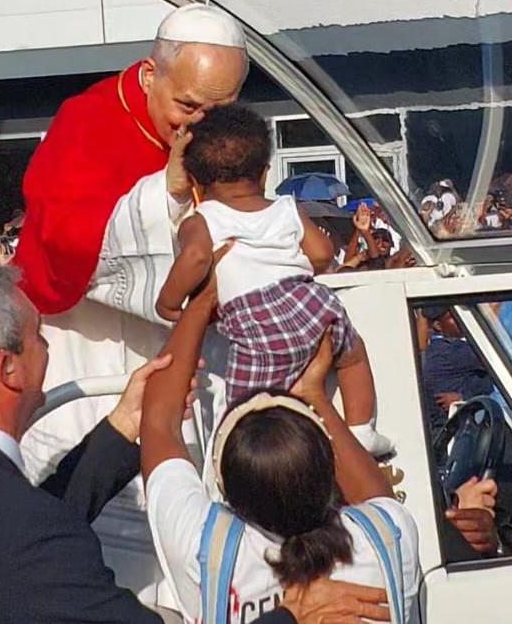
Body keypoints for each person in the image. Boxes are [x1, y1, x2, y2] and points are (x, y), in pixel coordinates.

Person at [0, 265, 361, 624]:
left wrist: (126, 423)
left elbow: (24, 520)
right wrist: (292, 616)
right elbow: (27, 536)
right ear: (6, 368)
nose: (50, 346)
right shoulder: (28, 534)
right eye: (38, 335)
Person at [142, 264, 496, 624]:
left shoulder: (207, 549)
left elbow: (157, 421)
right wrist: (316, 396)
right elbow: (376, 494)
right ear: (328, 469)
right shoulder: (386, 539)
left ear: (225, 485)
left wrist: (201, 302)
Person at [15, 3, 249, 480]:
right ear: (149, 75)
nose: (199, 125)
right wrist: (167, 192)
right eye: (187, 105)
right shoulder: (86, 120)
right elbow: (65, 237)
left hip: (189, 366)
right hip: (89, 346)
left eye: (219, 111)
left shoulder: (227, 137)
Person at [155, 105, 377, 446]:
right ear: (263, 174)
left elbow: (197, 257)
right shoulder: (286, 207)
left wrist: (169, 305)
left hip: (254, 322)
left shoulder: (202, 219)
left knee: (249, 412)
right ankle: (363, 433)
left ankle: (240, 465)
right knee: (353, 355)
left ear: (196, 181)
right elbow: (321, 253)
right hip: (311, 303)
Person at [420, 307, 495, 430]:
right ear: (438, 325)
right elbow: (494, 364)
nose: (461, 322)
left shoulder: (435, 349)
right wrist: (464, 397)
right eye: (453, 318)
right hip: (455, 428)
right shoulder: (451, 351)